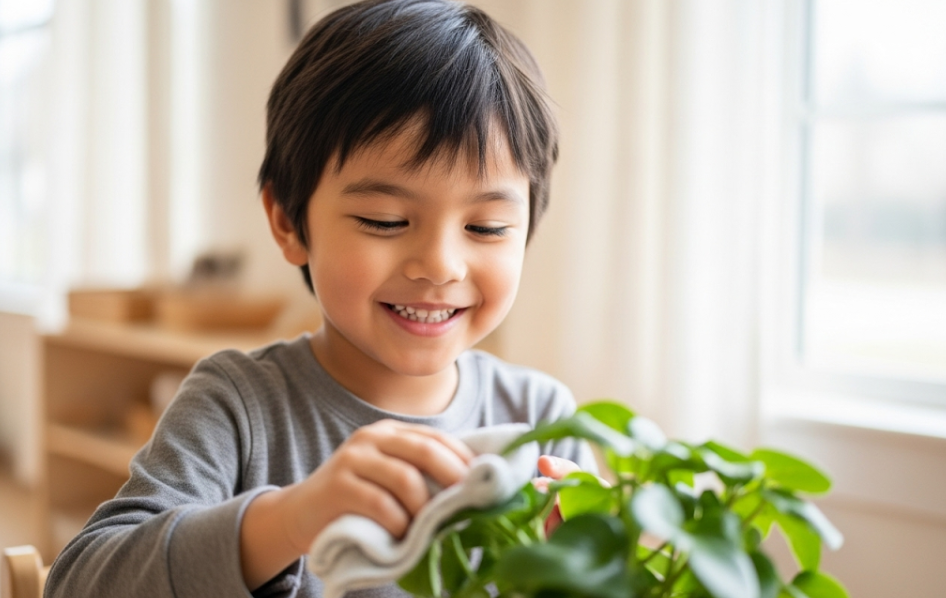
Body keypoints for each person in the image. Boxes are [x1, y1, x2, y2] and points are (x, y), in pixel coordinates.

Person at [45, 1, 596, 596]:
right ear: (287, 222)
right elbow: (78, 582)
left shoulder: (542, 420)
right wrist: (290, 520)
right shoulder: (236, 408)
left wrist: (590, 560)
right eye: (384, 220)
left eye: (486, 227)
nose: (441, 265)